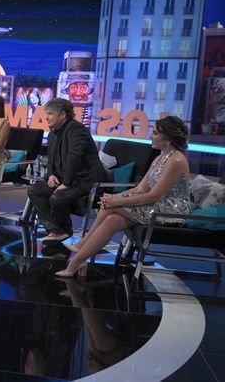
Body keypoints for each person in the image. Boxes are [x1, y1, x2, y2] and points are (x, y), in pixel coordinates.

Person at [57, 116, 193, 277]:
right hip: (156, 203)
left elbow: (151, 196)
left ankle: (80, 248)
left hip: (171, 210)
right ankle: (78, 261)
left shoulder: (177, 160)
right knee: (112, 219)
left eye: (155, 133)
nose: (151, 136)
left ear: (168, 138)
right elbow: (140, 188)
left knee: (111, 206)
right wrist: (114, 197)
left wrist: (116, 201)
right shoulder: (160, 157)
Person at [27, 98, 105, 242]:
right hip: (65, 179)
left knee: (57, 198)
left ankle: (65, 230)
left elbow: (74, 156)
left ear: (62, 115)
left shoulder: (76, 129)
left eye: (50, 113)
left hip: (84, 181)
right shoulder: (53, 133)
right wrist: (51, 175)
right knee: (34, 190)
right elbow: (51, 158)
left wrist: (67, 183)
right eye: (47, 113)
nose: (46, 117)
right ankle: (54, 229)